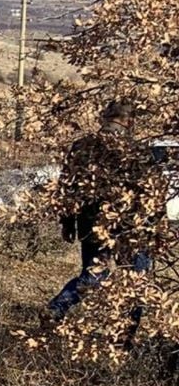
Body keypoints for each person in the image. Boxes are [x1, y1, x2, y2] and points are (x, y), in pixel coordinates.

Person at [48, 101, 151, 320]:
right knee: (136, 281)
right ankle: (125, 339)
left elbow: (67, 186)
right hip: (130, 226)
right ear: (129, 121)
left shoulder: (81, 145)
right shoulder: (136, 149)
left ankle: (56, 309)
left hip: (90, 221)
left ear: (104, 117)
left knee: (93, 275)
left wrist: (67, 222)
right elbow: (149, 192)